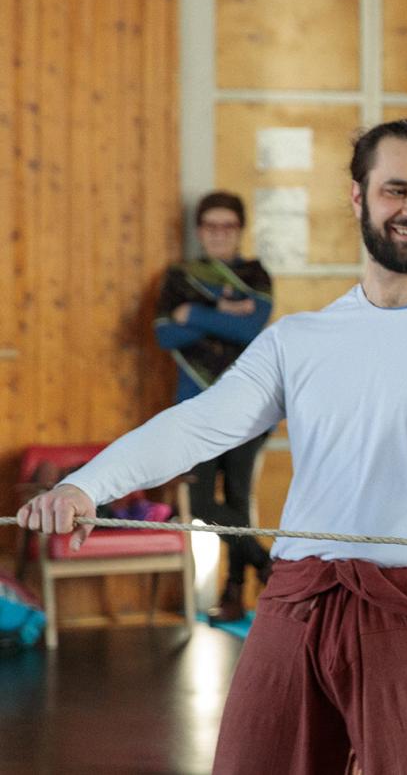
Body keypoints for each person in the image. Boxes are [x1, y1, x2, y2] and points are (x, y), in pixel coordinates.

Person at [16, 119, 407, 775]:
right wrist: (85, 486)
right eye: (396, 190)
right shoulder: (299, 339)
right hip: (297, 598)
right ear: (358, 196)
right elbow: (196, 424)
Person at [155, 190, 274, 622]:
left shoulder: (256, 274)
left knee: (240, 499)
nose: (219, 234)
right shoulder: (179, 276)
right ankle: (267, 565)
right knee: (200, 501)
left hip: (249, 405)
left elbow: (252, 326)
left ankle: (233, 593)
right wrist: (224, 310)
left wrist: (196, 313)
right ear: (199, 231)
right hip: (196, 407)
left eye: (228, 226)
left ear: (240, 230)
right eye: (211, 226)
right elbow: (165, 335)